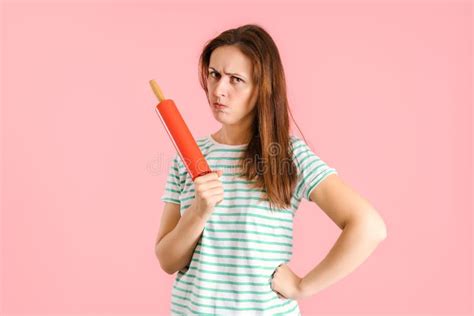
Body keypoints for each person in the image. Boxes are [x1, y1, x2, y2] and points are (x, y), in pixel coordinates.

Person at [155, 24, 387, 315]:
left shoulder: (288, 156)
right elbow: (167, 260)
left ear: (262, 88)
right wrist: (199, 211)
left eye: (236, 79)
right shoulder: (185, 160)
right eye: (214, 74)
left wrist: (304, 286)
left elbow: (370, 226)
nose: (219, 89)